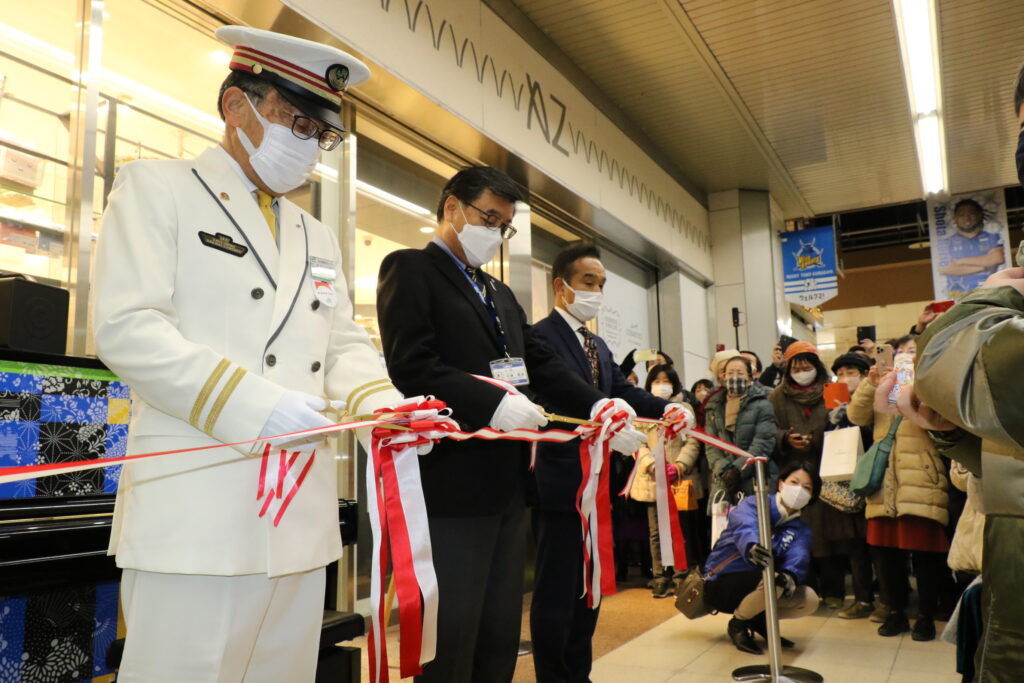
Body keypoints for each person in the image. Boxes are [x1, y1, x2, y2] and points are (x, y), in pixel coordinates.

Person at [91, 27, 407, 681]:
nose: (310, 146)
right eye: (296, 121)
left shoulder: (314, 232)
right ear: (237, 105)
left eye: (319, 135)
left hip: (299, 520)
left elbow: (340, 339)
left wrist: (384, 405)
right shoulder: (158, 188)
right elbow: (128, 327)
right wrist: (253, 406)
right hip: (196, 516)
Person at [375, 167, 645, 683]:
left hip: (508, 487)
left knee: (499, 632)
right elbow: (412, 365)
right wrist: (490, 402)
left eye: (504, 225)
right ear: (452, 207)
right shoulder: (410, 269)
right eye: (489, 218)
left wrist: (598, 406)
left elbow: (541, 364)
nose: (495, 233)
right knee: (451, 635)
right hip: (451, 486)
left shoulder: (499, 293)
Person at [527, 243, 683, 683]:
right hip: (560, 481)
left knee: (589, 585)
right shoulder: (540, 337)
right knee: (558, 588)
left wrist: (667, 408)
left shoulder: (595, 343)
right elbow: (559, 395)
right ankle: (554, 676)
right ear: (561, 287)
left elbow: (622, 391)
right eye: (587, 282)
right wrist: (606, 420)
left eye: (601, 284)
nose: (596, 291)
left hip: (596, 481)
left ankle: (579, 671)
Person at [847, 358, 950, 641]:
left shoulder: (927, 386)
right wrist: (871, 384)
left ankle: (926, 616)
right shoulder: (882, 390)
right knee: (885, 557)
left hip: (922, 481)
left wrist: (923, 383)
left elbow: (943, 421)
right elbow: (856, 416)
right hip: (884, 485)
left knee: (926, 557)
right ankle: (896, 613)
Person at [703, 460, 820, 655]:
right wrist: (752, 546)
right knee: (772, 580)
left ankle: (757, 618)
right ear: (781, 483)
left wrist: (790, 575)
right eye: (794, 482)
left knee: (808, 599)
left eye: (807, 487)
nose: (799, 490)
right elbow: (744, 525)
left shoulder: (801, 529)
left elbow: (798, 556)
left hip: (761, 585)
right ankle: (738, 624)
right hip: (723, 581)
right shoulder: (754, 503)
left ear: (811, 496)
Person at [630, 363, 704, 599]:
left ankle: (682, 575)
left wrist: (680, 466)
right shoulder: (641, 410)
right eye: (656, 381)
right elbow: (637, 442)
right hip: (652, 480)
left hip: (678, 481)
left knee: (680, 529)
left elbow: (693, 441)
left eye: (666, 381)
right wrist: (651, 464)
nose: (661, 386)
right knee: (655, 532)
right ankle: (660, 576)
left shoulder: (684, 409)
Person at [820, 353, 877, 619]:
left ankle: (887, 598)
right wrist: (833, 419)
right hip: (846, 481)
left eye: (851, 372)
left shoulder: (879, 398)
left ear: (865, 375)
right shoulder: (832, 404)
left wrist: (854, 416)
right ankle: (863, 599)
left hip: (876, 478)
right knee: (855, 545)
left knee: (878, 545)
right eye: (840, 374)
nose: (845, 378)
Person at [705, 356, 777, 506]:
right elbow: (710, 444)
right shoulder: (713, 406)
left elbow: (763, 442)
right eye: (730, 373)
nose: (735, 377)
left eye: (740, 373)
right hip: (723, 481)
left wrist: (738, 469)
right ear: (723, 376)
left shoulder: (763, 404)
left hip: (755, 477)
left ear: (750, 377)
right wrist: (723, 469)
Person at [768, 342, 829, 473]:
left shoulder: (832, 390)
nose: (802, 374)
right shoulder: (777, 396)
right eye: (796, 370)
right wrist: (785, 438)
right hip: (791, 466)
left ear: (817, 367)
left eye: (807, 369)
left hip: (827, 463)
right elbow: (767, 429)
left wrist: (817, 438)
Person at [936, 198, 1005, 300]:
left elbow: (997, 259)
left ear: (980, 215)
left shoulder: (993, 237)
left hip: (990, 295)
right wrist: (985, 266)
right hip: (959, 298)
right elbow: (945, 268)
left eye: (971, 213)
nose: (967, 218)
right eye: (962, 215)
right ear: (955, 219)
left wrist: (960, 262)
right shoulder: (946, 242)